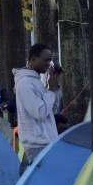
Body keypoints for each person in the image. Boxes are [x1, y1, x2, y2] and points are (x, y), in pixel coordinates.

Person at [14, 44, 60, 173]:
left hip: (45, 144)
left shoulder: (36, 81)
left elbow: (50, 110)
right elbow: (39, 113)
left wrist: (55, 89)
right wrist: (50, 91)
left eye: (50, 60)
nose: (49, 63)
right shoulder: (25, 83)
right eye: (46, 60)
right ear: (33, 59)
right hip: (36, 146)